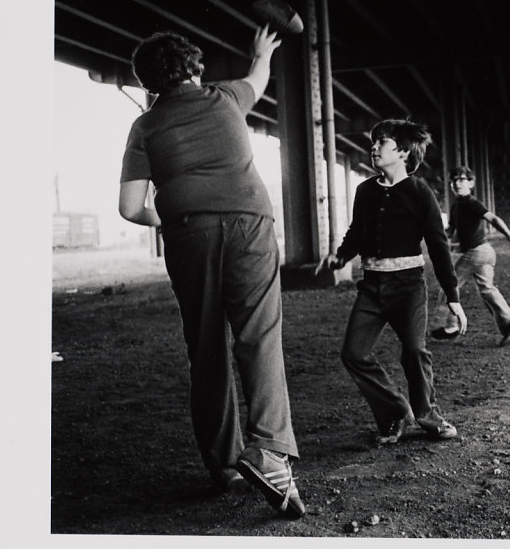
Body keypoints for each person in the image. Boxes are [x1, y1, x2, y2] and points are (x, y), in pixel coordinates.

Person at [118, 26, 305, 518]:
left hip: (188, 234)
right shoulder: (225, 98)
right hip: (249, 224)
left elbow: (129, 207)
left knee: (206, 347)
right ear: (196, 69)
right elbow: (258, 77)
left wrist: (176, 217)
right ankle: (267, 450)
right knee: (259, 337)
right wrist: (260, 51)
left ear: (151, 84)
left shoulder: (146, 125)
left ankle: (223, 465)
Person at [316, 119, 467, 446]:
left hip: (409, 287)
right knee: (353, 354)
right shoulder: (365, 191)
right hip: (371, 288)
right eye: (374, 142)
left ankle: (428, 416)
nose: (373, 147)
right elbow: (357, 233)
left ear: (402, 151)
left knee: (414, 350)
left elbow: (438, 247)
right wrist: (341, 256)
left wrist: (453, 297)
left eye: (381, 142)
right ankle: (396, 411)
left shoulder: (419, 192)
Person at [430, 165, 510, 347]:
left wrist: (509, 235)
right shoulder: (456, 207)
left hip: (478, 252)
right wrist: (435, 234)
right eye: (453, 180)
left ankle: (451, 326)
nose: (457, 183)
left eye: (462, 179)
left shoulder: (472, 203)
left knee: (449, 285)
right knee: (487, 290)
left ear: (471, 183)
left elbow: (493, 219)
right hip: (485, 252)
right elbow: (450, 231)